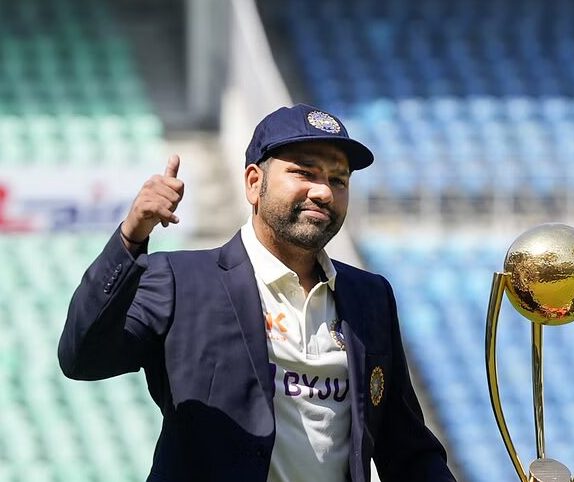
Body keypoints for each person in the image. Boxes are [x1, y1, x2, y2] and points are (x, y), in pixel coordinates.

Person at [59, 104, 457, 482]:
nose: (323, 192)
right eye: (305, 173)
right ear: (254, 183)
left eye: (338, 180)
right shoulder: (180, 280)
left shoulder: (370, 296)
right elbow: (82, 357)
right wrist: (131, 237)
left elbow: (407, 450)